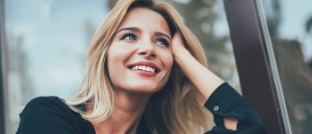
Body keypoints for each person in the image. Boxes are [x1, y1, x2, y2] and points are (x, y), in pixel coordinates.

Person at [16, 0, 266, 133]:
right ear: (104, 54)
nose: (148, 49)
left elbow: (248, 129)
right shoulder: (47, 116)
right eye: (129, 36)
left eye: (161, 42)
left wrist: (182, 55)